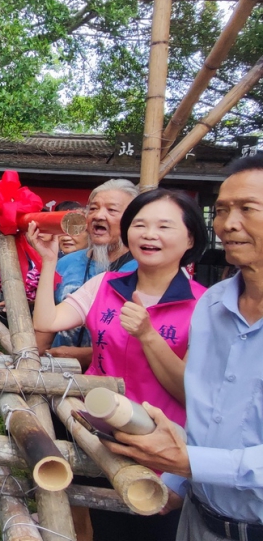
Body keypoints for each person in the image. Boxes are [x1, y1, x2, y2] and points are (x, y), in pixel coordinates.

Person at [30, 188, 209, 541]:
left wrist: (147, 334)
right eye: (140, 225)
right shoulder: (105, 285)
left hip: (160, 449)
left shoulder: (205, 305)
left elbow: (192, 394)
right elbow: (48, 321)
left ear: (190, 238)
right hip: (97, 436)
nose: (149, 234)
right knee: (103, 527)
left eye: (164, 226)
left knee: (152, 530)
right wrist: (48, 260)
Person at [108, 154, 263, 541]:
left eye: (248, 209)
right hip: (197, 519)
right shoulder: (213, 306)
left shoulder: (195, 300)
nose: (229, 224)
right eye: (222, 210)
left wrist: (190, 463)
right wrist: (177, 481)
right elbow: (207, 414)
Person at [47, 179, 140, 370]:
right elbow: (46, 324)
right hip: (56, 377)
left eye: (112, 210)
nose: (99, 215)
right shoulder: (65, 263)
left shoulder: (143, 270)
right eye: (93, 209)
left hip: (113, 385)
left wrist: (88, 356)